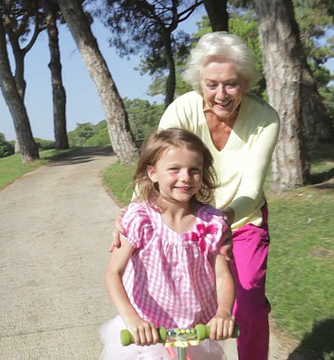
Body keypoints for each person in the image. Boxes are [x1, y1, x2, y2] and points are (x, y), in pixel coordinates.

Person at [112, 32, 280, 360]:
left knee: (248, 306)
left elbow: (251, 189)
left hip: (239, 219)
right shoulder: (183, 109)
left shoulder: (265, 119)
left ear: (245, 82)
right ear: (199, 82)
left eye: (231, 83)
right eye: (211, 84)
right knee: (181, 306)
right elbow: (157, 163)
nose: (221, 94)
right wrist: (131, 214)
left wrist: (218, 220)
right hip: (181, 219)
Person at [101, 128, 236, 359]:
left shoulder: (211, 223)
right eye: (174, 169)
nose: (185, 177)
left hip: (196, 329)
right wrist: (132, 319)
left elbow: (223, 275)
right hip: (148, 331)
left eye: (194, 170)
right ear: (152, 173)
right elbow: (114, 272)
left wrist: (223, 313)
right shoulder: (140, 219)